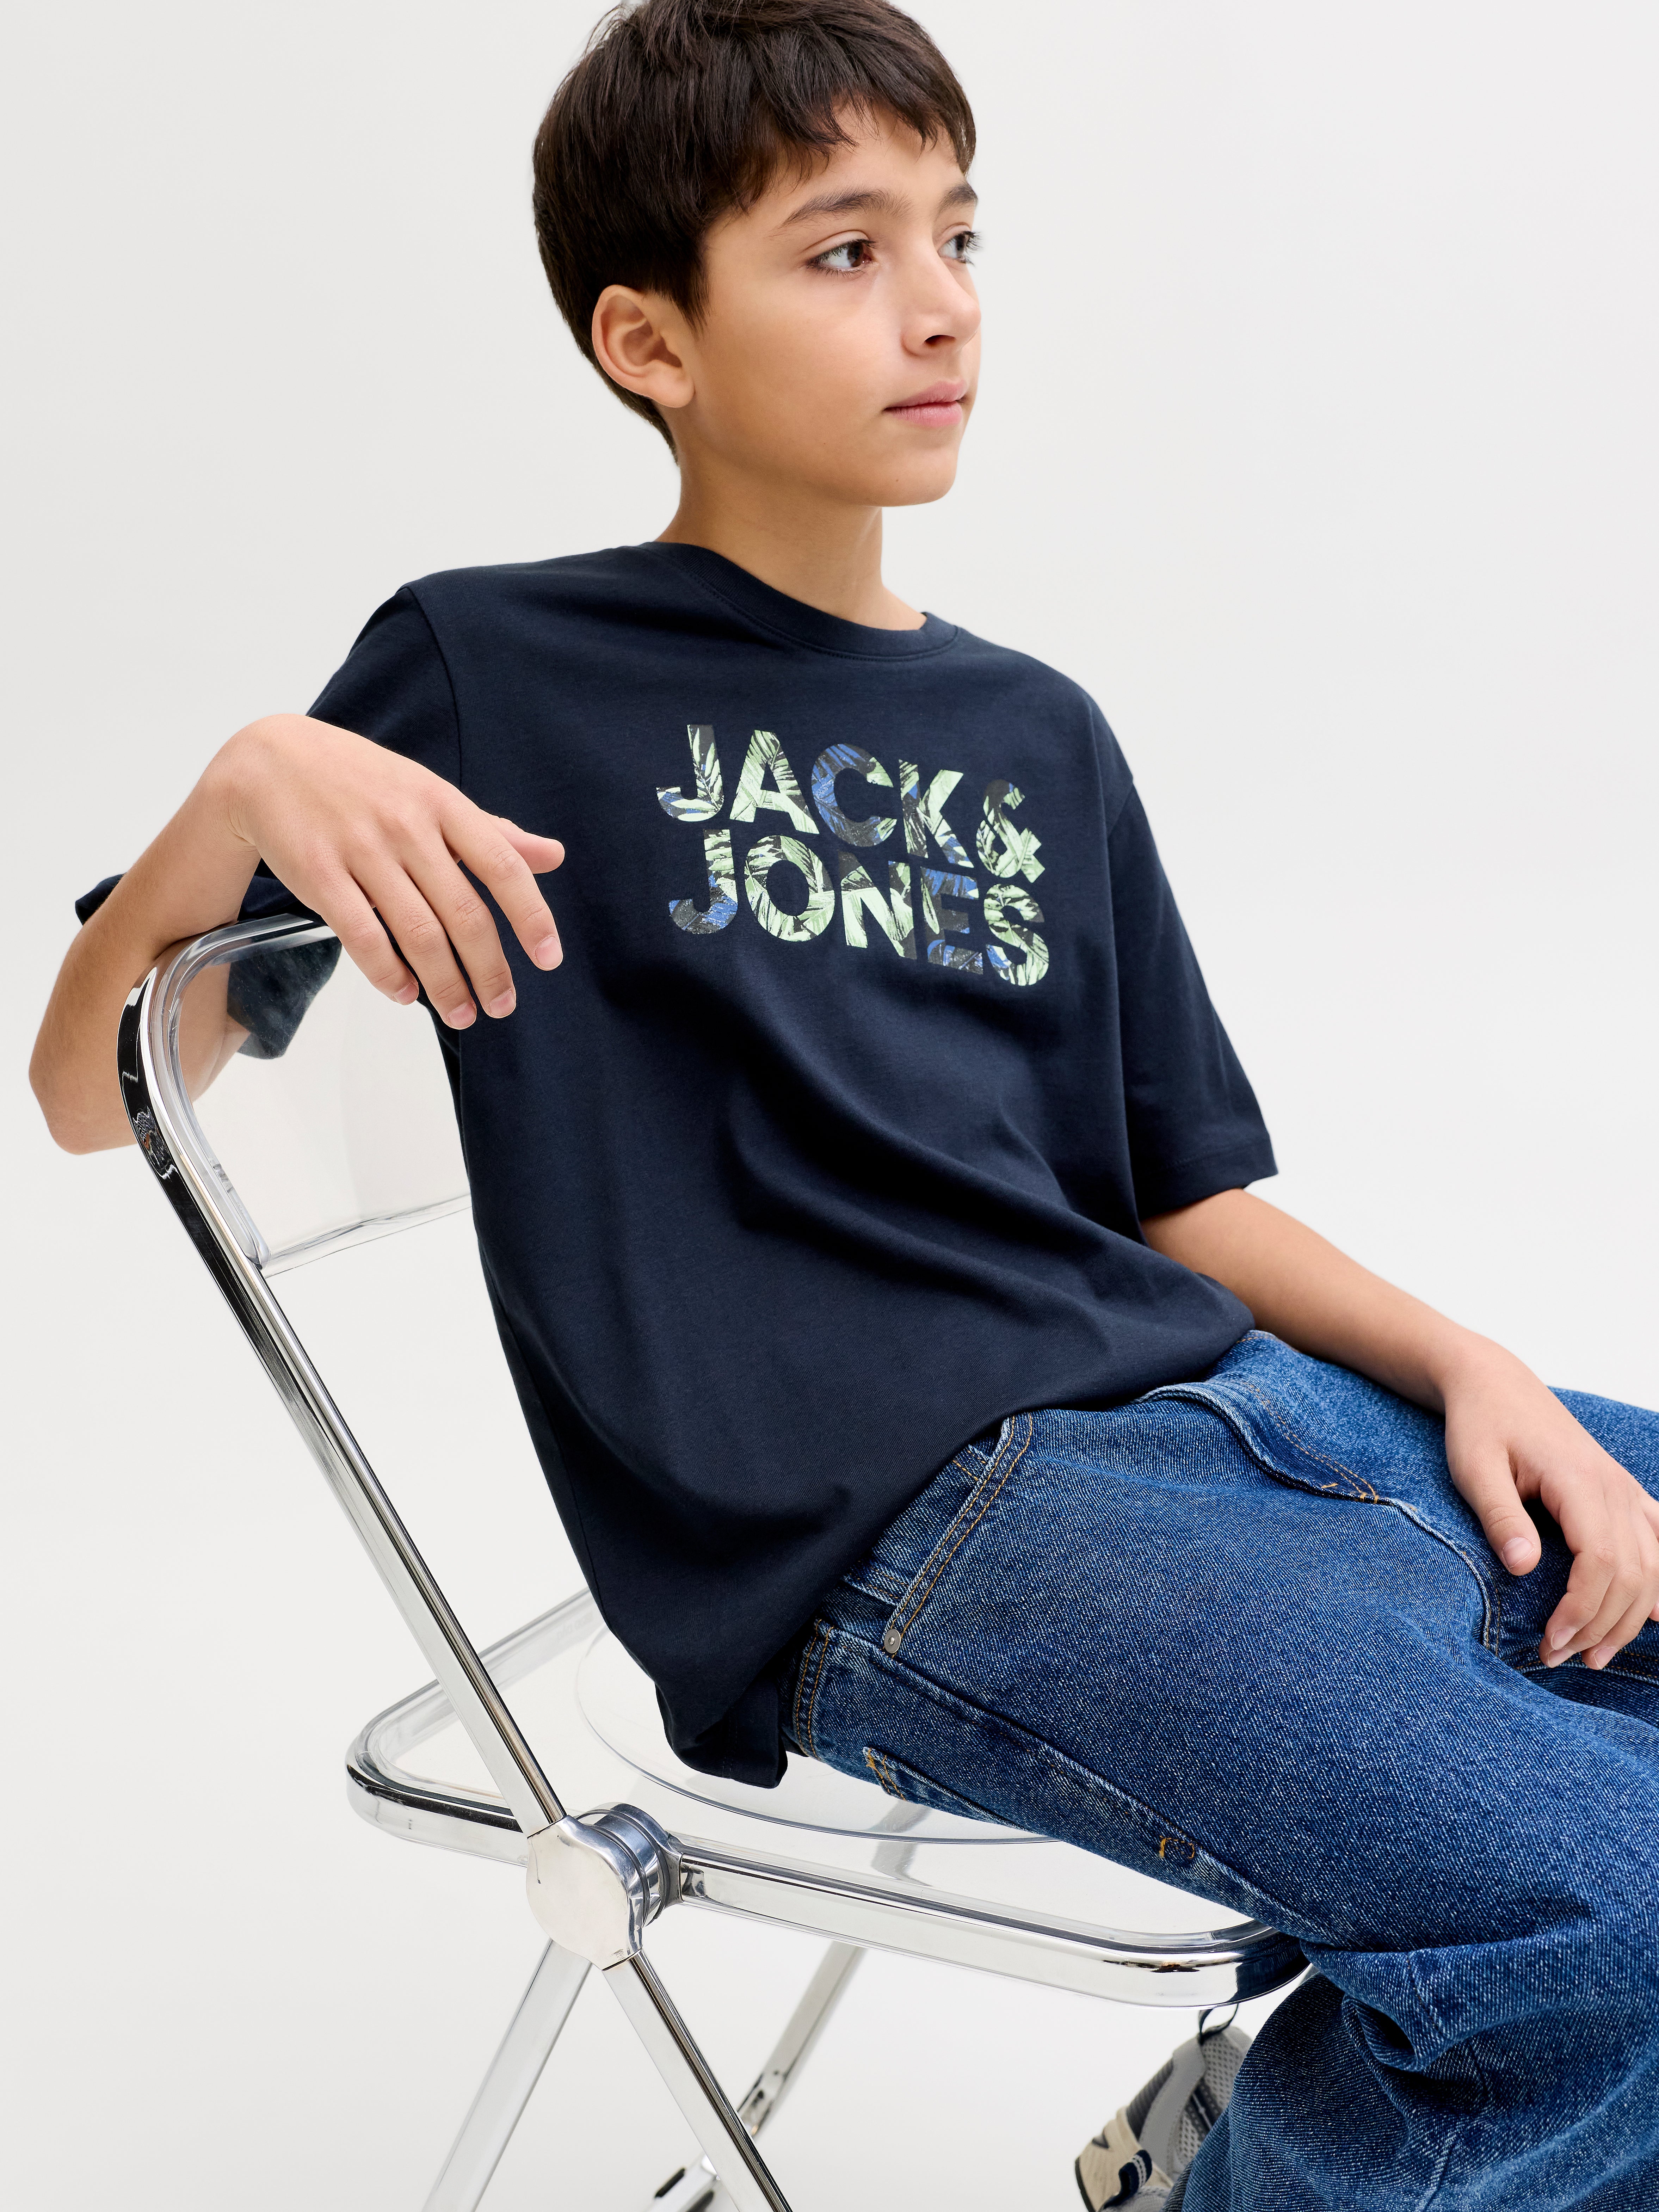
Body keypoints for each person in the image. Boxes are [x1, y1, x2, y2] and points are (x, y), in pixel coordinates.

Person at [29, 3, 1659, 2205]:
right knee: (1621, 1920)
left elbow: (1177, 1194)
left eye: (958, 236)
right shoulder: (495, 670)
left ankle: (1273, 2128)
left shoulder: (1037, 729)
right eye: (841, 249)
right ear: (649, 340)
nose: (940, 304)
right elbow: (95, 1095)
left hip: (1245, 1412)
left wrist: (1472, 1365)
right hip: (919, 1532)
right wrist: (241, 783)